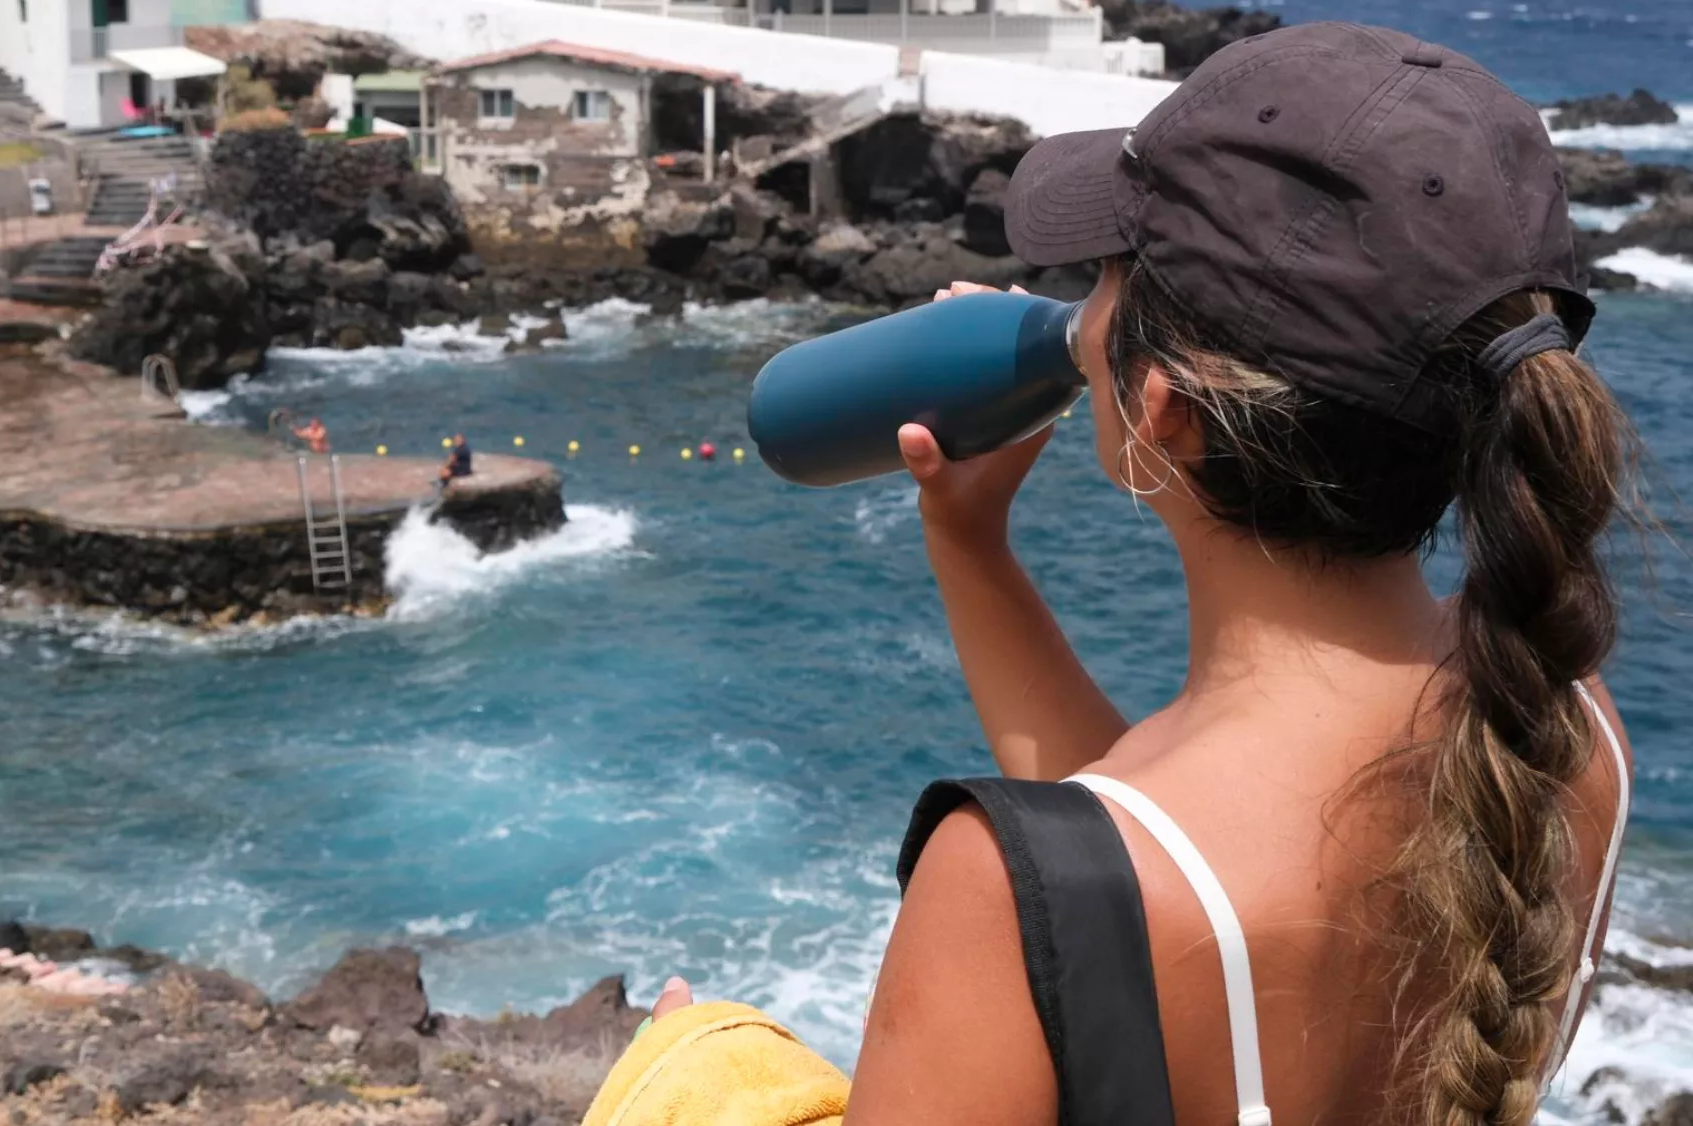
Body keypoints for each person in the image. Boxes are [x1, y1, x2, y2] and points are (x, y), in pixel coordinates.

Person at [635, 24, 1634, 1126]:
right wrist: (969, 545)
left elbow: (1110, 900)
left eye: (1105, 275)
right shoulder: (1563, 724)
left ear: (1163, 409)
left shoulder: (989, 893)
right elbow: (1130, 875)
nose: (1078, 310)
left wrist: (690, 1081)